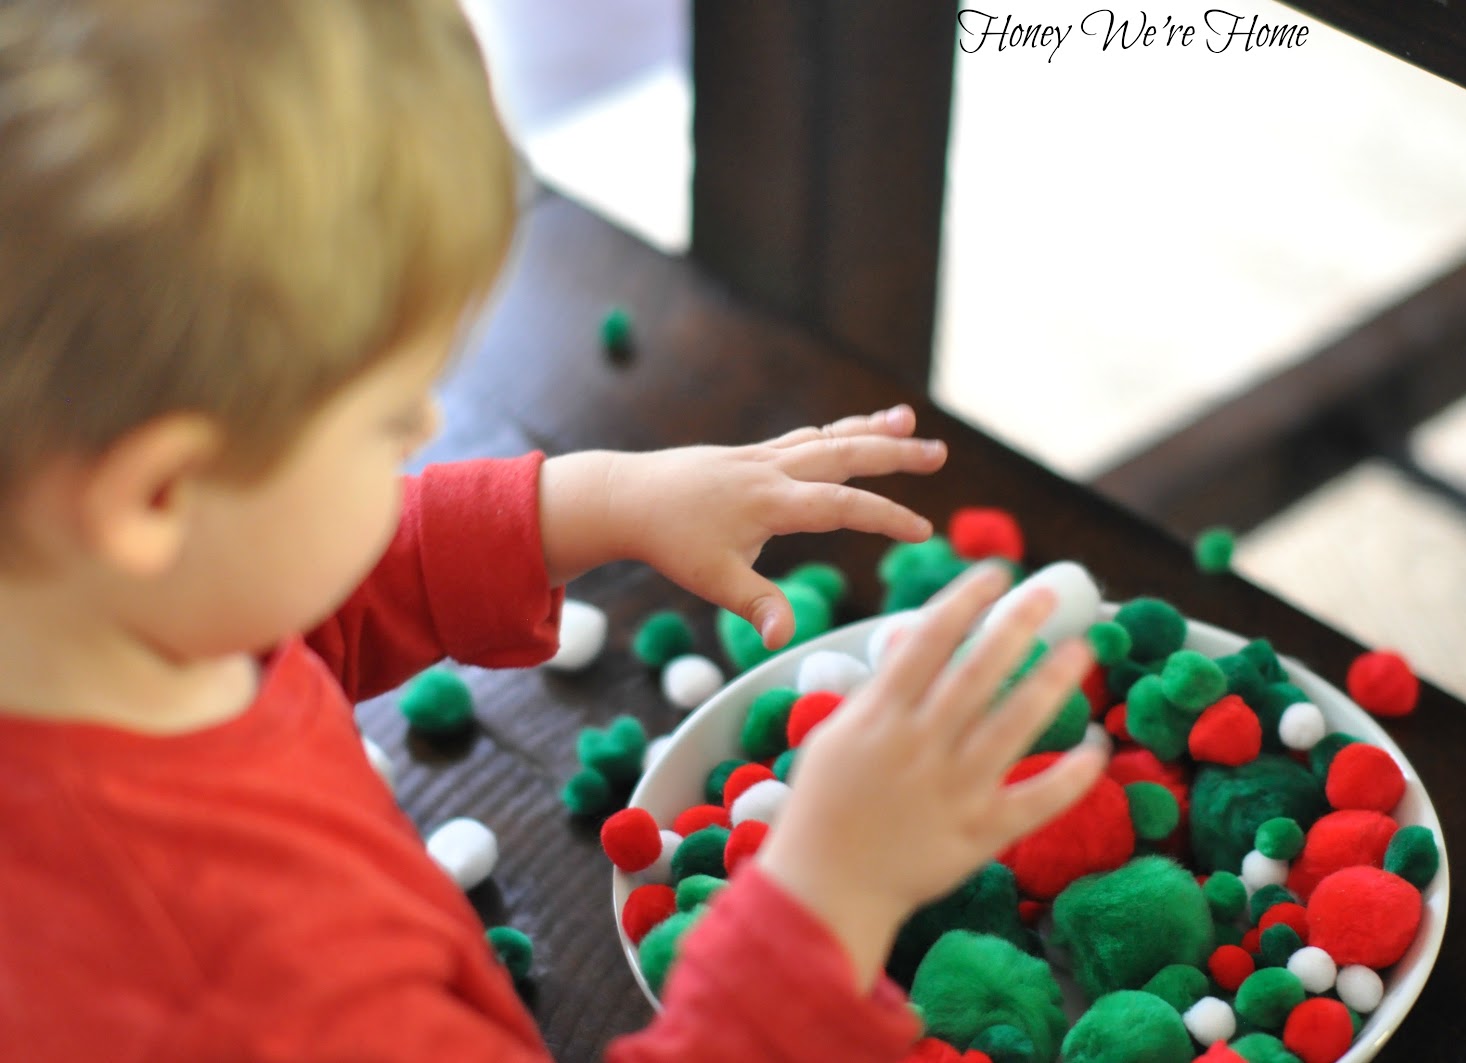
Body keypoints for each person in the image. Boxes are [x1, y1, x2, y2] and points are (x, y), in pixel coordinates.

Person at [0, 1, 1107, 1059]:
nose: (429, 425)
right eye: (391, 419)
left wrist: (586, 502)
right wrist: (828, 897)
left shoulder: (99, 620)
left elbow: (273, 617)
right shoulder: (262, 983)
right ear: (156, 496)